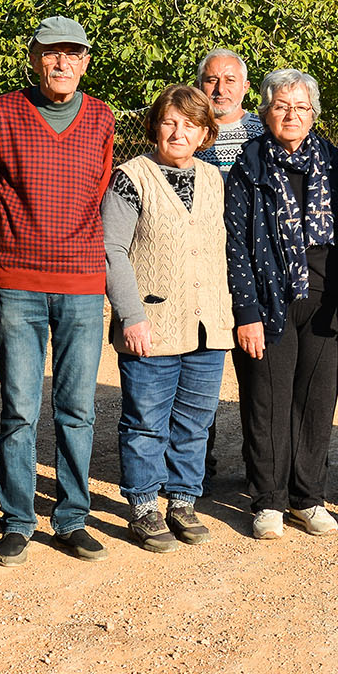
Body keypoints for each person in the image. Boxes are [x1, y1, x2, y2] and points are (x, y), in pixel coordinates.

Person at [0, 16, 117, 567]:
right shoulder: (4, 111)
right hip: (16, 281)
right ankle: (17, 520)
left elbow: (101, 190)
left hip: (83, 283)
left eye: (72, 54)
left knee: (77, 408)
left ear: (85, 62)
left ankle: (72, 518)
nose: (61, 63)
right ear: (34, 58)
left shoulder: (101, 117)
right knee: (18, 408)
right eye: (50, 53)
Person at [103, 85, 233, 550]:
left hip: (208, 323)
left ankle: (182, 502)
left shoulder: (215, 179)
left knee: (196, 421)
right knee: (145, 421)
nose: (179, 132)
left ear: (204, 134)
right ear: (155, 126)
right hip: (151, 322)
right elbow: (112, 251)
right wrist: (130, 315)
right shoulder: (130, 177)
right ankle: (142, 506)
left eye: (190, 125)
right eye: (169, 122)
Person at [224, 69, 338, 540]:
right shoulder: (248, 165)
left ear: (314, 114)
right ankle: (269, 500)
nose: (291, 115)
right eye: (281, 106)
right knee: (267, 400)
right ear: (265, 113)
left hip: (324, 299)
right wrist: (247, 312)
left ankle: (307, 498)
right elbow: (235, 244)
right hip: (268, 298)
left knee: (316, 400)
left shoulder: (336, 164)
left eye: (300, 107)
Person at [194, 48, 262, 479]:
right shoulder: (189, 131)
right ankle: (196, 466)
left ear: (246, 87)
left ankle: (263, 471)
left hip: (253, 272)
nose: (220, 89)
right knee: (202, 379)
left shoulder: (262, 131)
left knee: (257, 378)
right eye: (211, 80)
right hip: (201, 272)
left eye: (229, 80)